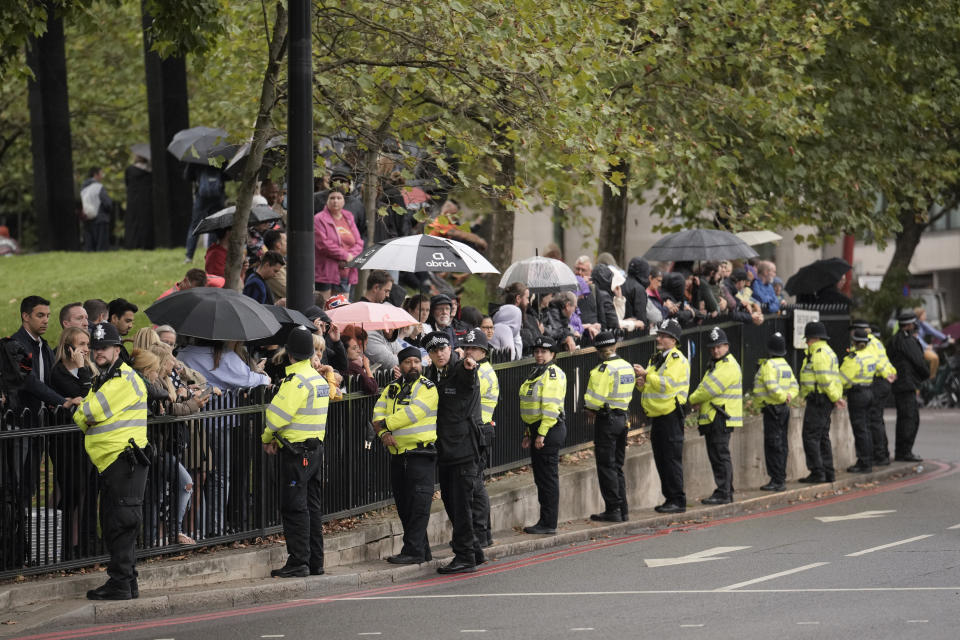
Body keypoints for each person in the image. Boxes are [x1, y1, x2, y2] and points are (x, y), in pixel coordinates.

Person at [73, 322, 150, 600]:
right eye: (94, 348)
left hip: (123, 461)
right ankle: (126, 582)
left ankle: (121, 582)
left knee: (122, 522)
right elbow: (83, 414)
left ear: (117, 349)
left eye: (104, 347)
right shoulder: (104, 379)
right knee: (115, 521)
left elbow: (88, 412)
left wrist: (84, 412)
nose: (98, 352)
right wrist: (84, 412)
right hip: (113, 463)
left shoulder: (122, 380)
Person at [261, 327, 329, 577]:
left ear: (289, 354)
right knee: (311, 507)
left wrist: (267, 438)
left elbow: (276, 418)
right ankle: (315, 561)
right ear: (311, 353)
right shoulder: (317, 380)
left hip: (296, 453)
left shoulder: (296, 382)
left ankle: (299, 561)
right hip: (315, 451)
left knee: (294, 507)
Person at [422, 331, 484, 574]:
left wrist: (470, 368)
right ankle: (474, 550)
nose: (440, 353)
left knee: (460, 504)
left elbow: (468, 379)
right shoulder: (432, 374)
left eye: (443, 348)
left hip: (463, 449)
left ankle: (465, 555)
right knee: (453, 503)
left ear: (451, 348)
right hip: (447, 450)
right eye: (434, 350)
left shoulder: (461, 369)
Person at [371, 346, 439, 565]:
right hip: (398, 455)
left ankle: (413, 551)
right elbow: (377, 413)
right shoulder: (390, 388)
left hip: (420, 453)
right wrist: (383, 433)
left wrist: (385, 425)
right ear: (400, 365)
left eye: (416, 362)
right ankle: (422, 550)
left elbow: (413, 413)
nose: (413, 366)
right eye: (408, 362)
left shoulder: (428, 388)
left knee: (419, 506)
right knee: (405, 506)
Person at [634, 319, 689, 513]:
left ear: (673, 340)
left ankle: (677, 499)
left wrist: (647, 376)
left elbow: (668, 384)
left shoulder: (677, 359)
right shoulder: (657, 358)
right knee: (661, 458)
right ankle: (669, 498)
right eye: (659, 334)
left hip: (671, 415)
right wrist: (642, 383)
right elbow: (653, 385)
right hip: (657, 415)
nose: (659, 338)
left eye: (663, 335)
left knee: (671, 459)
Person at [583, 331, 635, 522]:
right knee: (617, 466)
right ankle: (623, 509)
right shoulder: (627, 366)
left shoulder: (604, 369)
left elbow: (595, 400)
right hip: (623, 418)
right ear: (614, 346)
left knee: (606, 465)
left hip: (607, 421)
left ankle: (613, 509)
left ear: (599, 350)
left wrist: (589, 407)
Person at [688, 327, 742, 505]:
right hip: (715, 416)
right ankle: (726, 490)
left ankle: (724, 492)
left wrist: (693, 399)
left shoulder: (727, 366)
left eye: (719, 346)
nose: (715, 350)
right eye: (712, 347)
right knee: (718, 455)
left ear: (727, 346)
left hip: (720, 416)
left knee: (720, 455)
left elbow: (708, 389)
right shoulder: (717, 364)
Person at [519, 335, 567, 535]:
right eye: (536, 351)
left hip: (549, 428)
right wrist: (528, 432)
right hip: (538, 429)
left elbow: (549, 407)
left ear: (552, 354)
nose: (539, 355)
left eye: (543, 352)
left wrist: (541, 434)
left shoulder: (552, 373)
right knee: (541, 477)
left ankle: (548, 523)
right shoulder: (537, 371)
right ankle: (545, 520)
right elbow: (531, 407)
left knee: (547, 478)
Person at [460, 329, 499, 548]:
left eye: (472, 348)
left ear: (482, 351)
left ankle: (481, 534)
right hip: (477, 431)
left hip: (479, 431)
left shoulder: (482, 373)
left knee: (475, 485)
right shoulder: (478, 369)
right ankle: (483, 533)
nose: (468, 352)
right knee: (475, 484)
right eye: (466, 348)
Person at [797, 321, 844, 483]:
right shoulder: (828, 351)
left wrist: (834, 397)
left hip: (819, 400)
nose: (806, 342)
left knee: (810, 436)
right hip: (823, 399)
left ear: (813, 338)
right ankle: (827, 472)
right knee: (822, 436)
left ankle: (818, 472)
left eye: (807, 339)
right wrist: (835, 397)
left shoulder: (819, 354)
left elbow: (824, 379)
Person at [751, 332, 798, 491]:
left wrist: (782, 397)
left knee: (773, 445)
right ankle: (780, 477)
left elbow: (771, 387)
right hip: (783, 409)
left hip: (772, 409)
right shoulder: (785, 365)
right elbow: (795, 386)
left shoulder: (769, 366)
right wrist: (789, 396)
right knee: (782, 443)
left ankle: (777, 480)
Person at [851, 320, 896, 466]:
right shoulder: (875, 341)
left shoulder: (868, 343)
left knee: (874, 421)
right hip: (884, 380)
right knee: (877, 420)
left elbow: (873, 361)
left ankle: (880, 456)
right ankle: (882, 454)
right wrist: (890, 374)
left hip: (877, 381)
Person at [886, 311, 929, 462]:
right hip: (906, 384)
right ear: (910, 325)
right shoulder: (907, 341)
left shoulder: (894, 340)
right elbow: (918, 361)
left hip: (900, 384)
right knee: (910, 419)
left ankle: (902, 451)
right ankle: (904, 452)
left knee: (905, 418)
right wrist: (925, 375)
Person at [840, 329, 879, 473]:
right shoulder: (870, 355)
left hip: (857, 394)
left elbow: (843, 379)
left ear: (854, 342)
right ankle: (868, 459)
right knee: (867, 428)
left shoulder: (854, 358)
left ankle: (863, 462)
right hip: (869, 391)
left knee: (860, 429)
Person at [314, 190, 364, 300]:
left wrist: (351, 256)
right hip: (326, 271)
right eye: (332, 198)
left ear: (344, 201)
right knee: (324, 307)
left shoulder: (348, 217)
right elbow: (323, 244)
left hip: (345, 271)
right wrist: (345, 256)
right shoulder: (319, 219)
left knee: (341, 308)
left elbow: (359, 242)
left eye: (338, 198)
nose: (335, 201)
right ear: (326, 201)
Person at [184, 164, 226, 264]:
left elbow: (187, 176)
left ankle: (189, 256)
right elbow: (228, 175)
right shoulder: (221, 154)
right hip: (218, 196)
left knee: (195, 225)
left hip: (201, 196)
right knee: (214, 225)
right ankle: (210, 254)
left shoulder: (197, 157)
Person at [123, 150, 153, 250]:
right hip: (146, 200)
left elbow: (127, 183)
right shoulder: (150, 171)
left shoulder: (130, 170)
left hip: (133, 200)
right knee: (145, 222)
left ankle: (133, 244)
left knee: (133, 222)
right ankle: (146, 244)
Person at [915, 306, 954, 379]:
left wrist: (946, 339)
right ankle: (930, 379)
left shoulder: (922, 324)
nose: (925, 316)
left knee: (936, 357)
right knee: (934, 358)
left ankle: (932, 377)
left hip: (922, 347)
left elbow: (933, 331)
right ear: (919, 316)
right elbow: (916, 338)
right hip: (916, 348)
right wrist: (926, 346)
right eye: (924, 315)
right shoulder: (914, 325)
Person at [80, 167, 113, 252]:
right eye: (101, 174)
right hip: (100, 219)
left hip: (87, 219)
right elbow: (107, 203)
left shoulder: (83, 188)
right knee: (101, 249)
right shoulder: (98, 187)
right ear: (95, 174)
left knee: (89, 248)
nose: (102, 176)